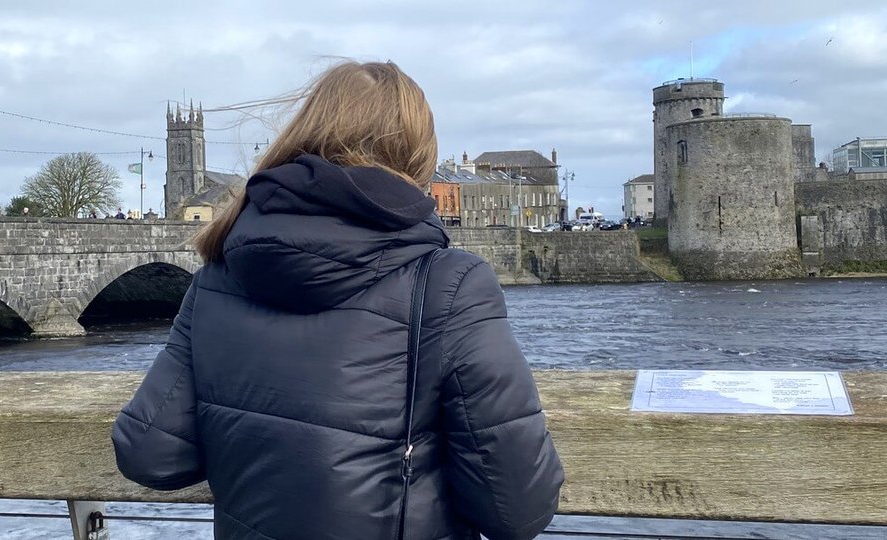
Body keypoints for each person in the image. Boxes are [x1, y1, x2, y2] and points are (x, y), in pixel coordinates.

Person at [112, 61, 563, 540]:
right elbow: (518, 509)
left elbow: (151, 455)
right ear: (418, 155)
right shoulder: (450, 284)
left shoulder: (217, 277)